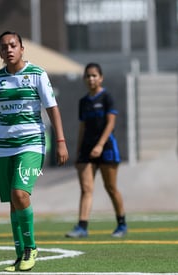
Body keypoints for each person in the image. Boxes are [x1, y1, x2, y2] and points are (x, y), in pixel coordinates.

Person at [0, 30, 69, 272]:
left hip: (32, 144)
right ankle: (18, 255)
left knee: (20, 193)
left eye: (13, 45)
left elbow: (52, 108)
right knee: (13, 202)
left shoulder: (37, 74)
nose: (9, 49)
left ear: (22, 48)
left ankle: (31, 248)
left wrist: (61, 140)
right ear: (0, 53)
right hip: (4, 147)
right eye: (4, 47)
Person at [65, 63, 127, 238]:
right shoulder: (83, 102)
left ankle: (121, 224)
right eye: (88, 76)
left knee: (111, 187)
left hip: (106, 148)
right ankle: (82, 227)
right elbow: (82, 127)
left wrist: (100, 145)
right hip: (86, 150)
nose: (91, 79)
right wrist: (78, 153)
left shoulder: (107, 97)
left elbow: (111, 124)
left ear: (101, 78)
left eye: (94, 75)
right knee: (86, 188)